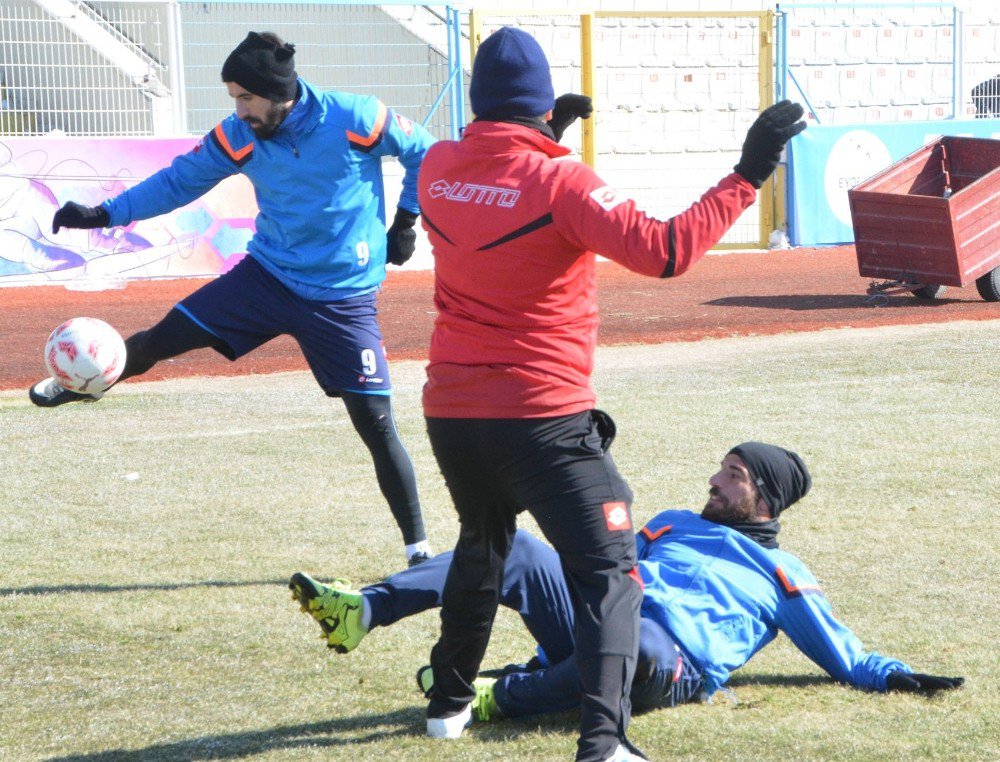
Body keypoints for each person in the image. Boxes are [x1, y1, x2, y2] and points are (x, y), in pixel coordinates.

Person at [405, 25, 802, 762]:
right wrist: (748, 172)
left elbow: (489, 182)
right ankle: (605, 742)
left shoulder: (437, 166)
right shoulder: (563, 182)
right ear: (539, 105)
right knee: (611, 570)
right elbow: (668, 251)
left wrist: (538, 135)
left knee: (483, 542)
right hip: (541, 414)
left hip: (452, 411)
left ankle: (448, 704)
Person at [34, 32, 436, 566]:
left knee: (377, 424)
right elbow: (178, 182)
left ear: (278, 93)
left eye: (246, 98)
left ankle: (419, 551)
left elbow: (425, 151)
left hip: (342, 297)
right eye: (234, 99)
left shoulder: (357, 117)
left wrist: (406, 220)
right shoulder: (239, 136)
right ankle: (87, 384)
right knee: (160, 339)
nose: (239, 110)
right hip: (266, 277)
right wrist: (104, 213)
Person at [288, 442, 963, 729]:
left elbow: (844, 654)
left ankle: (501, 697)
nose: (714, 481)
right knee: (518, 545)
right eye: (720, 469)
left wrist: (898, 675)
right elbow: (599, 560)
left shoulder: (784, 576)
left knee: (628, 643)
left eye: (732, 474)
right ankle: (365, 609)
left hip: (666, 659)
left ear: (764, 498)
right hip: (607, 616)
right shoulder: (671, 523)